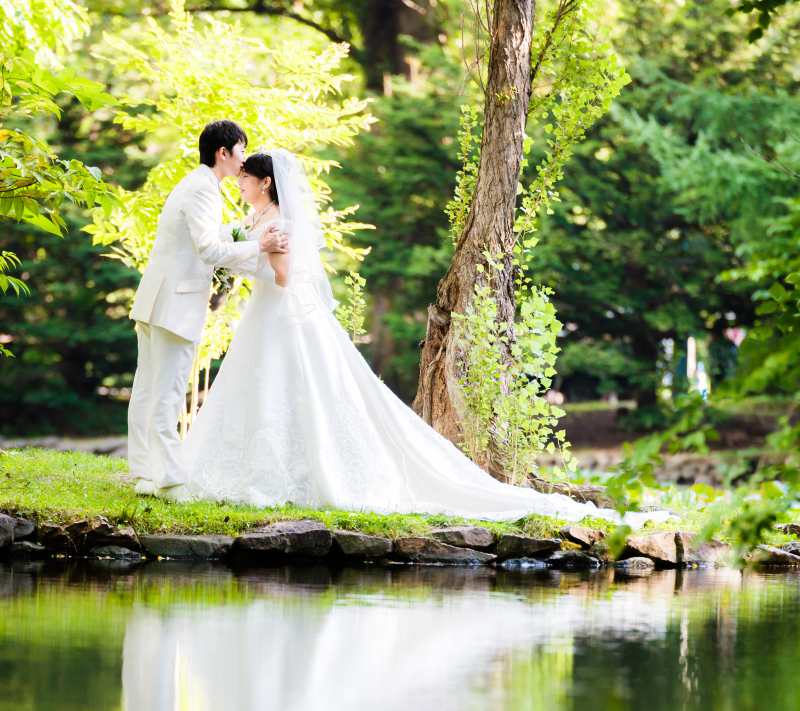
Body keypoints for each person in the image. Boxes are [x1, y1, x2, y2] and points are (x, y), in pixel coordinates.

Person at [183, 149, 671, 528]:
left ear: (264, 182)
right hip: (266, 320)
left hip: (284, 318)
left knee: (298, 394)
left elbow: (284, 277)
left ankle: (296, 477)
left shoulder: (279, 223)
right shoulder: (255, 222)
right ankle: (256, 473)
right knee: (265, 393)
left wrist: (244, 256)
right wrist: (245, 247)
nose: (239, 181)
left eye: (245, 176)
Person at [127, 120, 289, 502]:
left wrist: (243, 233)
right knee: (165, 393)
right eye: (241, 152)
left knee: (147, 392)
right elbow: (208, 250)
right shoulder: (205, 189)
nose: (243, 161)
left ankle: (144, 474)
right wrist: (259, 245)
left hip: (157, 301)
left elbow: (208, 237)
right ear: (224, 152)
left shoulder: (196, 183)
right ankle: (168, 480)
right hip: (174, 305)